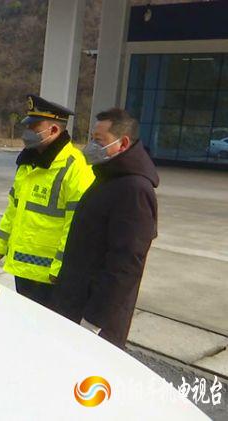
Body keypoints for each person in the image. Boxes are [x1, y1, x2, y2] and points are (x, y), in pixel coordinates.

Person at [53, 109, 158, 348]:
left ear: (123, 143)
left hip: (95, 319)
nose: (91, 146)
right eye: (91, 138)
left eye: (99, 140)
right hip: (75, 302)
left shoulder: (134, 190)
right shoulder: (108, 177)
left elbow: (126, 264)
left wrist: (94, 321)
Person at [0, 95, 94, 308]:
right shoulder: (27, 162)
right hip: (23, 268)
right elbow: (14, 207)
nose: (27, 132)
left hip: (50, 275)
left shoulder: (75, 167)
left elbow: (76, 225)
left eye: (34, 127)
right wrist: (0, 243)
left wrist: (60, 267)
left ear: (54, 130)